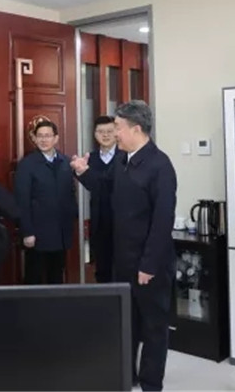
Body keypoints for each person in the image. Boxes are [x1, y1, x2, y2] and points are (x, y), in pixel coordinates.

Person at [71, 100, 176, 392]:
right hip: (123, 260)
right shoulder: (121, 160)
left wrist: (149, 265)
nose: (113, 133)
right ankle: (126, 377)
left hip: (149, 265)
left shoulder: (159, 165)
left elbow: (162, 220)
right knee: (126, 323)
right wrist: (83, 172)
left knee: (153, 328)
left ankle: (151, 384)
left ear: (136, 129)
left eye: (117, 127)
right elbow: (104, 188)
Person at [14, 120, 77, 285]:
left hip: (61, 233)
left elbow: (71, 195)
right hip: (37, 234)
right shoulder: (27, 164)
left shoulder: (65, 162)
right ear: (34, 138)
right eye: (40, 136)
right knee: (35, 279)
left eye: (48, 136)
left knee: (56, 277)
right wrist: (27, 232)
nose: (43, 140)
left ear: (56, 138)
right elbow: (22, 200)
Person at [87, 115, 125, 283]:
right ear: (95, 134)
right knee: (102, 269)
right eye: (101, 131)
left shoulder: (125, 156)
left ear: (116, 132)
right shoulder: (90, 159)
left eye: (109, 131)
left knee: (121, 269)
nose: (105, 135)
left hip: (122, 222)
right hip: (99, 222)